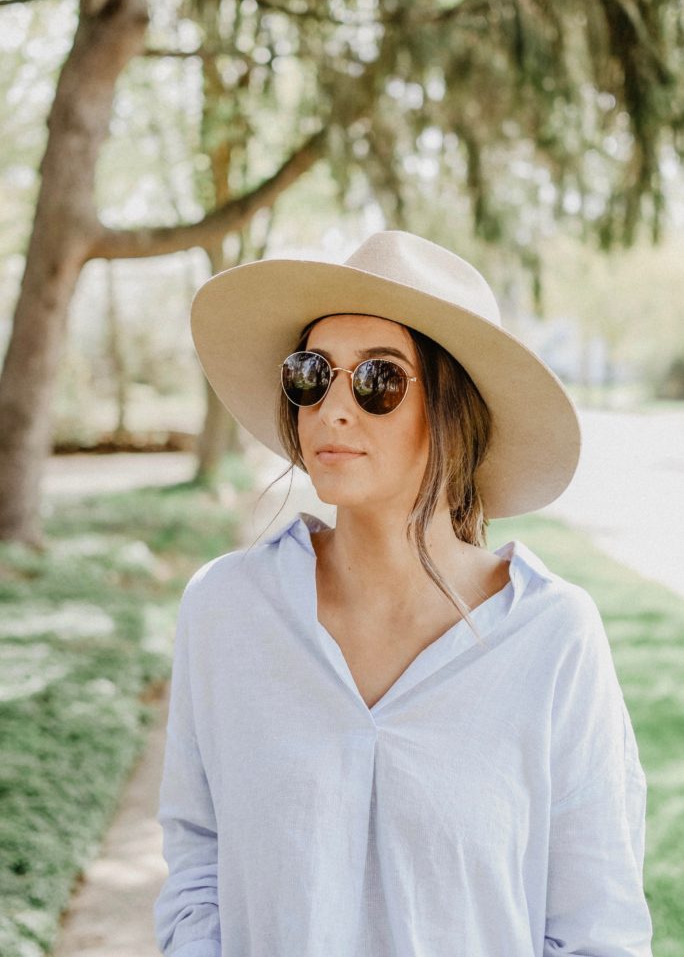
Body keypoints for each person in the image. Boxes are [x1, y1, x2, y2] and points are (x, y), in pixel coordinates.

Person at [153, 230, 653, 956]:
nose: (333, 407)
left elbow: (597, 927)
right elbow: (197, 857)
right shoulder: (226, 609)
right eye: (310, 374)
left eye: (377, 380)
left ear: (452, 411)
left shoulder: (552, 636)